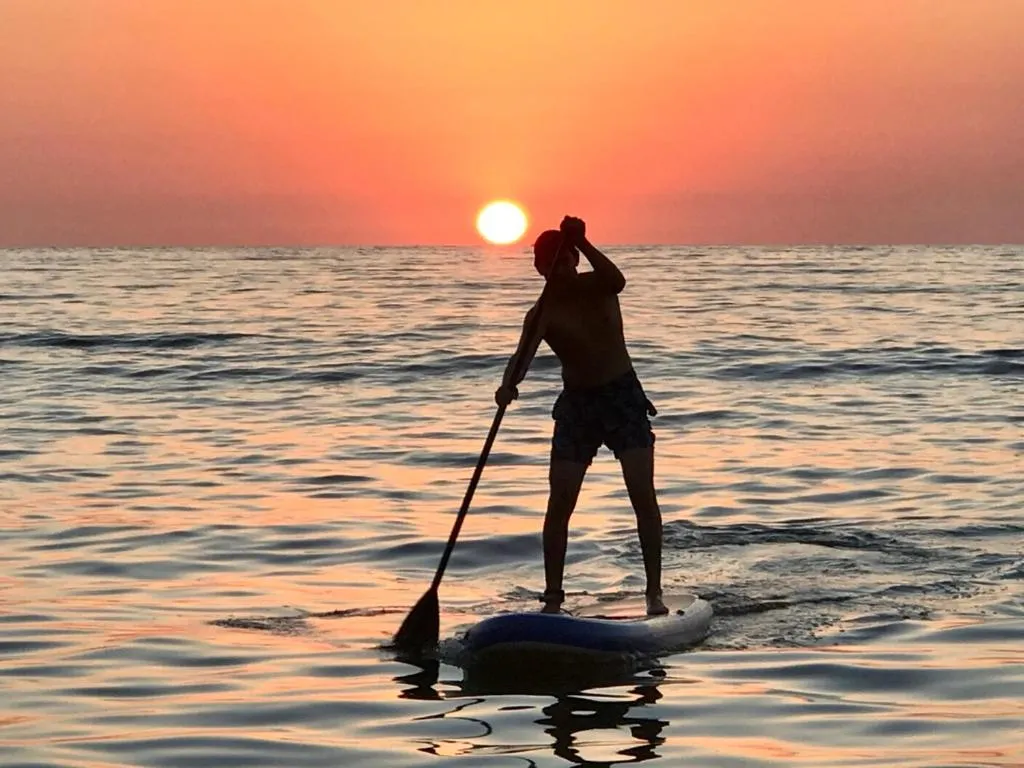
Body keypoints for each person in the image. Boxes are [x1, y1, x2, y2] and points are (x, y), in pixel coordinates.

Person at [495, 215, 668, 616]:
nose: (556, 268)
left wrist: (584, 241)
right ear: (538, 267)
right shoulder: (542, 312)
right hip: (577, 406)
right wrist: (508, 386)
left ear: (574, 259)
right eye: (547, 262)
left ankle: (653, 593)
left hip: (622, 396)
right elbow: (521, 357)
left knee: (642, 496)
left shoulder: (600, 286)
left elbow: (618, 279)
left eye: (563, 259)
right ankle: (553, 599)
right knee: (560, 502)